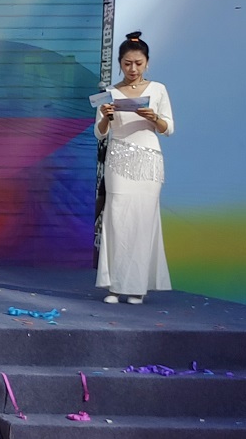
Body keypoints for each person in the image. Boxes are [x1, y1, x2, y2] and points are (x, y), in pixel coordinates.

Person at [94, 31, 175, 305]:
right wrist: (105, 118)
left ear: (147, 63)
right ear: (120, 63)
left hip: (148, 161)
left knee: (143, 221)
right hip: (118, 161)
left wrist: (155, 118)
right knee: (117, 219)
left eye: (138, 63)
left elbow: (169, 128)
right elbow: (99, 133)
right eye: (127, 63)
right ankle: (115, 286)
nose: (133, 69)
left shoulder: (158, 89)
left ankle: (138, 287)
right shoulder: (109, 93)